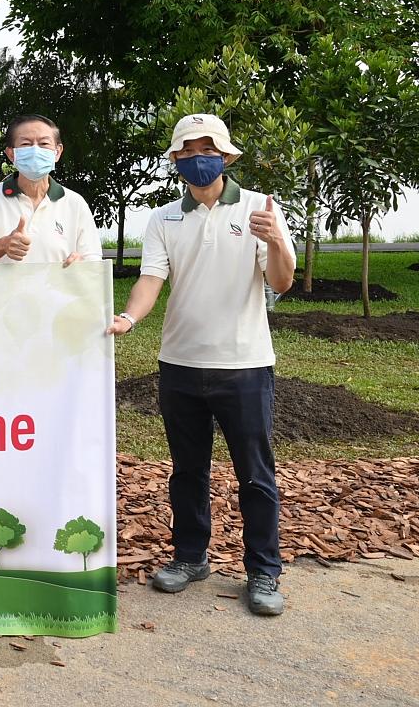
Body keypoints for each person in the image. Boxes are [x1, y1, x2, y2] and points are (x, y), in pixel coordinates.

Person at [107, 113, 295, 616]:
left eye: (207, 149)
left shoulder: (260, 210)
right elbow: (151, 280)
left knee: (255, 474)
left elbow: (281, 282)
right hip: (180, 365)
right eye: (186, 152)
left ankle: (263, 572)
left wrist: (276, 239)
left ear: (227, 156)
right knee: (188, 471)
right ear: (175, 161)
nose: (197, 158)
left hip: (245, 365)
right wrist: (129, 316)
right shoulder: (163, 217)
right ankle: (190, 557)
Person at [0, 114, 102, 266]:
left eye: (44, 143)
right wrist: (5, 244)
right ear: (11, 154)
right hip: (5, 290)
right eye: (26, 144)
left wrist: (81, 263)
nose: (35, 151)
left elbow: (93, 261)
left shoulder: (75, 203)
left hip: (58, 289)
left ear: (57, 152)